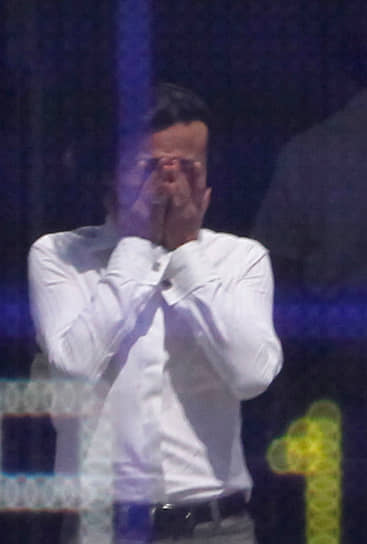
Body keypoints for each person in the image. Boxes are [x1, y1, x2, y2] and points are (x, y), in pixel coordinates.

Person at [28, 83, 282, 543]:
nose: (169, 183)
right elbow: (74, 367)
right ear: (110, 173)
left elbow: (253, 375)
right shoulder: (61, 254)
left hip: (212, 525)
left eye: (188, 168)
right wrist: (136, 243)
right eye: (150, 167)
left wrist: (185, 253)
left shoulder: (239, 258)